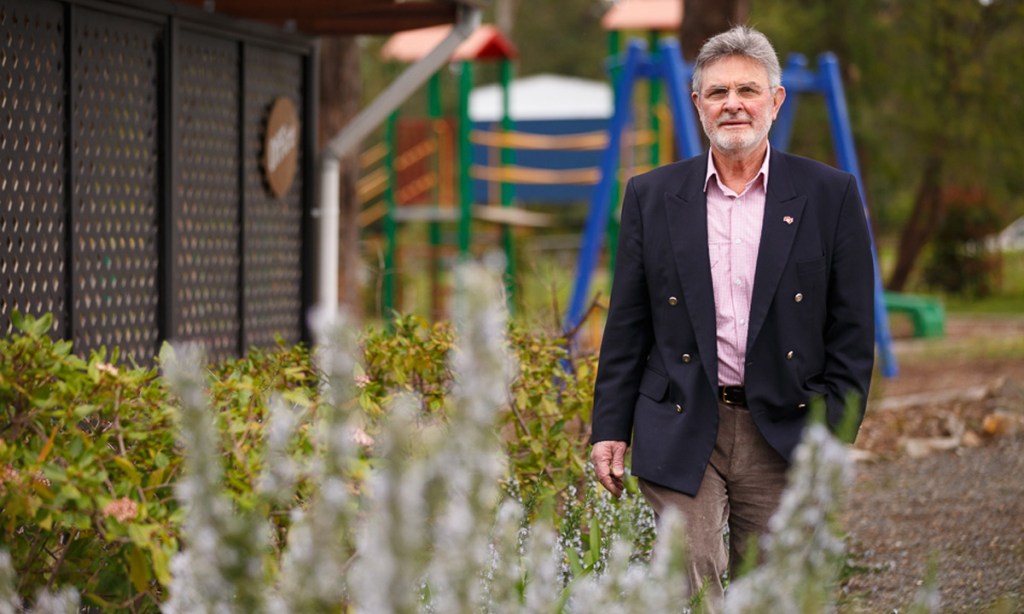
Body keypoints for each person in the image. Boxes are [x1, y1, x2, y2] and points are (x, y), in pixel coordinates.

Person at [589, 25, 875, 610]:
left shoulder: (830, 194)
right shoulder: (651, 195)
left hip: (786, 422)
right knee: (687, 574)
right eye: (717, 92)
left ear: (776, 99)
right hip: (681, 413)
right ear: (698, 104)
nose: (733, 104)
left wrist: (835, 432)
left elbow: (852, 329)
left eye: (748, 89)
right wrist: (610, 427)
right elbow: (627, 325)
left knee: (770, 587)